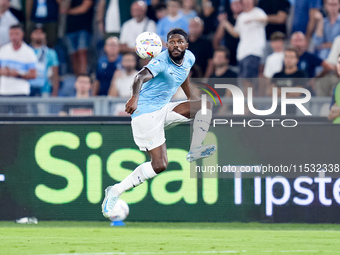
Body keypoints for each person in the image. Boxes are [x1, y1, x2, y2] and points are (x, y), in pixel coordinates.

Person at [101, 28, 216, 218]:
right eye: (172, 42)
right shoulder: (161, 61)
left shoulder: (190, 58)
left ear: (186, 45)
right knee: (160, 165)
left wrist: (190, 98)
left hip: (163, 108)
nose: (176, 45)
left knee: (204, 105)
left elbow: (184, 75)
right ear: (166, 45)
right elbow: (139, 77)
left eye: (180, 42)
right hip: (145, 113)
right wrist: (134, 98)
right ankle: (115, 191)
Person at [219, 0, 267, 93]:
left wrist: (253, 20)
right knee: (243, 81)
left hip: (254, 51)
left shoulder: (258, 12)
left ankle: (249, 106)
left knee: (248, 80)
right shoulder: (241, 17)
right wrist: (224, 22)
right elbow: (236, 33)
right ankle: (246, 104)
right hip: (242, 53)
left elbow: (265, 19)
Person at [0, 24, 37, 114]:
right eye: (11, 34)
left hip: (21, 92)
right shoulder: (3, 50)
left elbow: (33, 74)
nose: (14, 37)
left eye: (16, 34)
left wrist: (18, 74)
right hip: (4, 92)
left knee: (20, 122)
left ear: (22, 34)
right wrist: (6, 72)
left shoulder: (29, 52)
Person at [62, 0, 94, 75]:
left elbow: (84, 8)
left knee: (82, 52)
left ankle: (83, 75)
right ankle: (77, 78)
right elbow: (62, 7)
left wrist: (69, 11)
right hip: (70, 28)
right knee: (73, 54)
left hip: (83, 28)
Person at [29, 23, 60, 97]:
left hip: (45, 90)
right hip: (27, 89)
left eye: (41, 33)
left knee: (43, 109)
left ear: (45, 35)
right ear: (31, 35)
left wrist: (55, 92)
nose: (38, 35)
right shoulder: (26, 51)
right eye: (36, 33)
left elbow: (55, 74)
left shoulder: (51, 53)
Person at [214, 0, 242, 67]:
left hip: (243, 55)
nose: (237, 5)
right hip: (229, 57)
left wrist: (225, 23)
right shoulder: (227, 19)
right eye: (234, 4)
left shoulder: (246, 18)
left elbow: (237, 34)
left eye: (239, 3)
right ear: (231, 6)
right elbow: (217, 39)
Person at [328, 54, 340, 123]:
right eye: (339, 62)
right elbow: (330, 115)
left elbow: (334, 110)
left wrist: (336, 109)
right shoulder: (337, 86)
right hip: (336, 129)